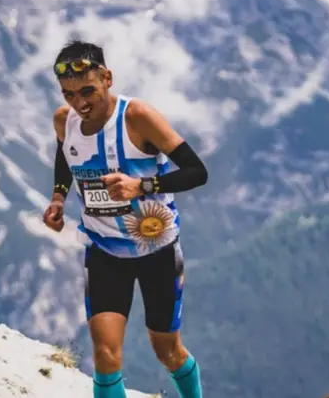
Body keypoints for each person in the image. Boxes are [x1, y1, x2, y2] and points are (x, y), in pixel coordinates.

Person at [42, 40, 208, 398]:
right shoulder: (64, 121)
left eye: (88, 91)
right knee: (105, 355)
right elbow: (65, 154)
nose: (80, 103)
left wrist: (142, 186)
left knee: (167, 350)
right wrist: (58, 196)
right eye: (69, 94)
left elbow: (197, 172)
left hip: (157, 251)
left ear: (107, 78)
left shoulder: (138, 117)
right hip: (104, 251)